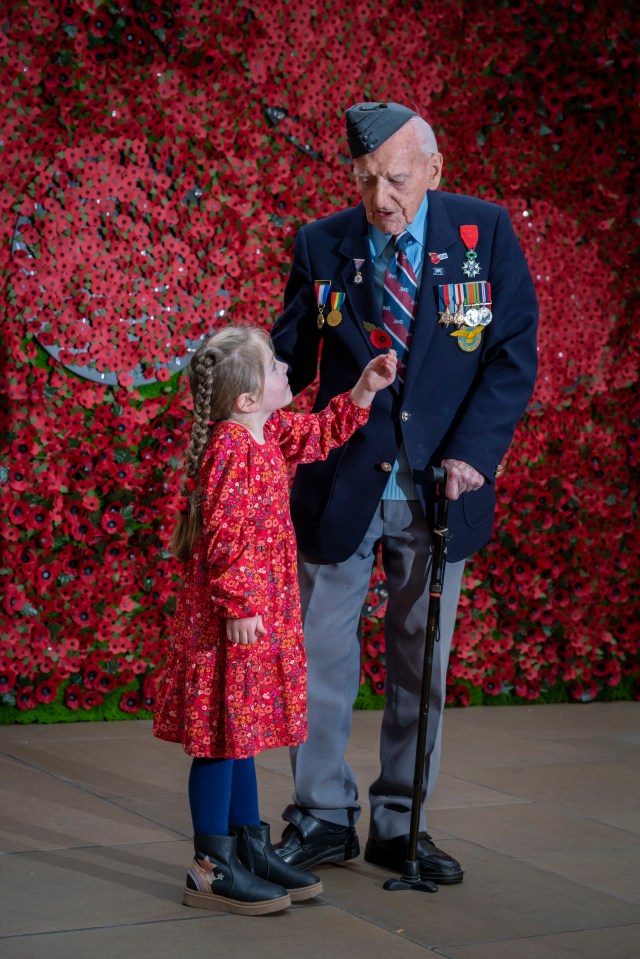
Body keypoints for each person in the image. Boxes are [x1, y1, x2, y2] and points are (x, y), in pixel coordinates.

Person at [271, 101, 539, 884]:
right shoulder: (323, 242)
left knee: (423, 660)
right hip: (342, 478)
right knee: (320, 655)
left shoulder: (481, 234)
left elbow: (512, 352)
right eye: (364, 180)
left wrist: (473, 453)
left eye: (394, 178)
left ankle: (401, 822)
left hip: (439, 484)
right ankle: (320, 816)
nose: (380, 197)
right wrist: (241, 394)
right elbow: (290, 354)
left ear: (432, 168)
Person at [152, 324, 397, 915]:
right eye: (276, 369)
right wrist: (239, 605)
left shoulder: (266, 433)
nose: (288, 372)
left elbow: (319, 433)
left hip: (262, 613)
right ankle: (209, 868)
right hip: (233, 619)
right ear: (246, 398)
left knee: (243, 732)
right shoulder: (231, 450)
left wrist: (363, 389)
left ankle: (248, 847)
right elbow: (224, 534)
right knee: (219, 738)